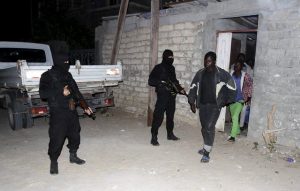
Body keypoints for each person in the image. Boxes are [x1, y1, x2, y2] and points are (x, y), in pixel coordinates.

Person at [39, 46, 93, 175]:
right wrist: (60, 91)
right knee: (57, 138)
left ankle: (73, 156)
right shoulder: (47, 76)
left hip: (71, 110)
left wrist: (85, 106)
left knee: (75, 135)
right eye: (64, 62)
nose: (67, 64)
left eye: (68, 62)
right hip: (58, 112)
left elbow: (76, 91)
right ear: (57, 61)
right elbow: (43, 94)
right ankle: (53, 161)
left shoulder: (67, 75)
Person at [188, 51, 236, 163]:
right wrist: (192, 102)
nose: (206, 63)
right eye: (205, 60)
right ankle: (206, 146)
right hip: (203, 105)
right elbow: (193, 87)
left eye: (209, 61)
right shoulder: (200, 73)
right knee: (204, 128)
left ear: (214, 61)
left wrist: (226, 101)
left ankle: (206, 153)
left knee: (209, 127)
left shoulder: (221, 73)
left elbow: (232, 87)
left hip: (215, 105)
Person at [148, 49, 186, 146]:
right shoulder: (158, 68)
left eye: (172, 57)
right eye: (169, 57)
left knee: (170, 116)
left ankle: (170, 134)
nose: (171, 58)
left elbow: (174, 81)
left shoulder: (172, 68)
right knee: (158, 117)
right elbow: (150, 80)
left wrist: (180, 88)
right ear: (164, 57)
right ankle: (154, 136)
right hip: (162, 96)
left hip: (172, 96)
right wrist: (160, 83)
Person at [227, 60, 253, 142]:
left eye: (238, 65)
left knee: (235, 116)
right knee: (233, 117)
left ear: (242, 67)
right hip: (231, 100)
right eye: (235, 65)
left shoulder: (245, 76)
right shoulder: (230, 74)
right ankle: (237, 130)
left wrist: (249, 97)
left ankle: (233, 136)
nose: (236, 67)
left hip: (240, 100)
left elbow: (250, 85)